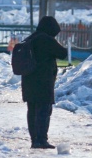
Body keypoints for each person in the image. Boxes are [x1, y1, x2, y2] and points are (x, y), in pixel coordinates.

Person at [21, 16, 67, 149]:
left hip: (29, 81)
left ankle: (34, 140)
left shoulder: (32, 38)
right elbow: (62, 53)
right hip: (43, 82)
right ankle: (42, 140)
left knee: (32, 110)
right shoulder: (46, 40)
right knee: (44, 111)